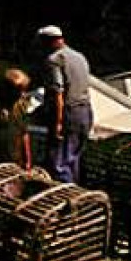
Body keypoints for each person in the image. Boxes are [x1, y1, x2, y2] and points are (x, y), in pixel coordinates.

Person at [38, 25, 93, 184]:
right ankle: (76, 193)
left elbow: (58, 94)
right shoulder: (79, 56)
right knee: (74, 158)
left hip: (69, 112)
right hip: (86, 111)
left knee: (59, 163)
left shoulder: (54, 60)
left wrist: (58, 122)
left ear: (48, 41)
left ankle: (64, 198)